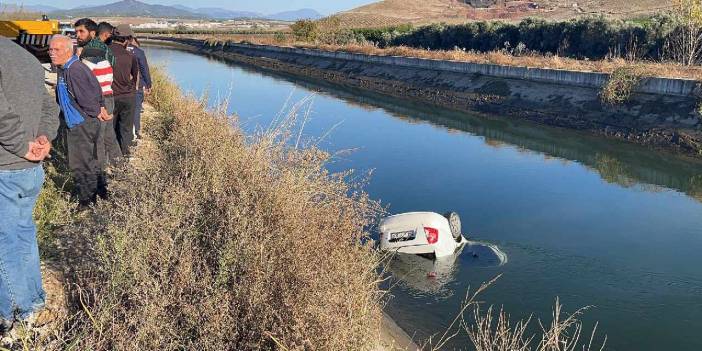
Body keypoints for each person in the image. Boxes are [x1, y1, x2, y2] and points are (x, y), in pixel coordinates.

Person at [0, 36, 59, 338]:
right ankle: (33, 303)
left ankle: (16, 319)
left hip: (6, 168)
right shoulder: (24, 56)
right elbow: (50, 108)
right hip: (29, 169)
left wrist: (20, 145)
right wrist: (44, 139)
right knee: (23, 236)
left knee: (4, 244)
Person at [49, 35, 104, 206]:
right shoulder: (67, 68)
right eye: (50, 49)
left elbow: (90, 99)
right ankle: (100, 192)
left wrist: (92, 114)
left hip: (81, 123)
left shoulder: (74, 70)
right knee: (89, 160)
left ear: (67, 51)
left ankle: (86, 200)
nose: (51, 53)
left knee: (80, 163)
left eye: (56, 50)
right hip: (81, 122)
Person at [74, 18, 122, 169]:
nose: (77, 35)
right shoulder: (102, 48)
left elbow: (82, 78)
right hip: (108, 96)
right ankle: (121, 169)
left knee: (98, 139)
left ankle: (99, 176)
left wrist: (76, 58)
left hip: (99, 99)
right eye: (76, 32)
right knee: (108, 136)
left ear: (92, 33)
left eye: (81, 31)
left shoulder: (91, 51)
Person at [109, 24, 139, 156]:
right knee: (126, 128)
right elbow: (135, 78)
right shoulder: (130, 56)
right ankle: (125, 155)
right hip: (128, 97)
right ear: (127, 39)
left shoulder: (104, 53)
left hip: (110, 96)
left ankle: (112, 157)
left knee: (110, 128)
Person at [126, 35, 151, 140]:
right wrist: (148, 84)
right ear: (132, 39)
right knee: (136, 108)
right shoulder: (139, 52)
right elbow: (144, 69)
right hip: (137, 84)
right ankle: (136, 131)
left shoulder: (117, 50)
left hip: (121, 85)